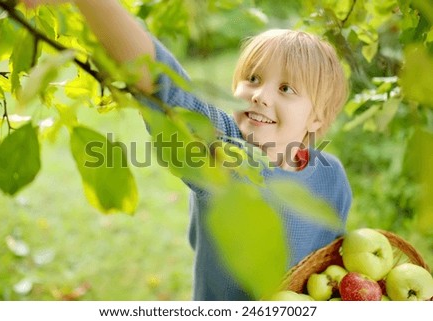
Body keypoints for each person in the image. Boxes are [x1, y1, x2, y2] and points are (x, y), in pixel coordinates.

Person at [21, 0, 352, 300]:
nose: (260, 95)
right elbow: (167, 88)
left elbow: (334, 264)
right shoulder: (225, 156)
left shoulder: (331, 175)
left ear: (317, 117)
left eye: (285, 88)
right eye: (252, 78)